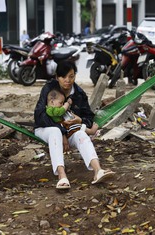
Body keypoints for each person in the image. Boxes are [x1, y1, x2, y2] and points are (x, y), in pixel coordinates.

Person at [34, 60, 114, 190]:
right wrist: (62, 132)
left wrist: (80, 121)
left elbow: (89, 117)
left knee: (81, 134)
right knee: (55, 133)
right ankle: (62, 176)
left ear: (75, 75)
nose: (67, 80)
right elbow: (39, 116)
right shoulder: (49, 89)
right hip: (45, 129)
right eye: (63, 77)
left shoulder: (79, 94)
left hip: (70, 129)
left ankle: (98, 171)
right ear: (57, 77)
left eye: (71, 76)